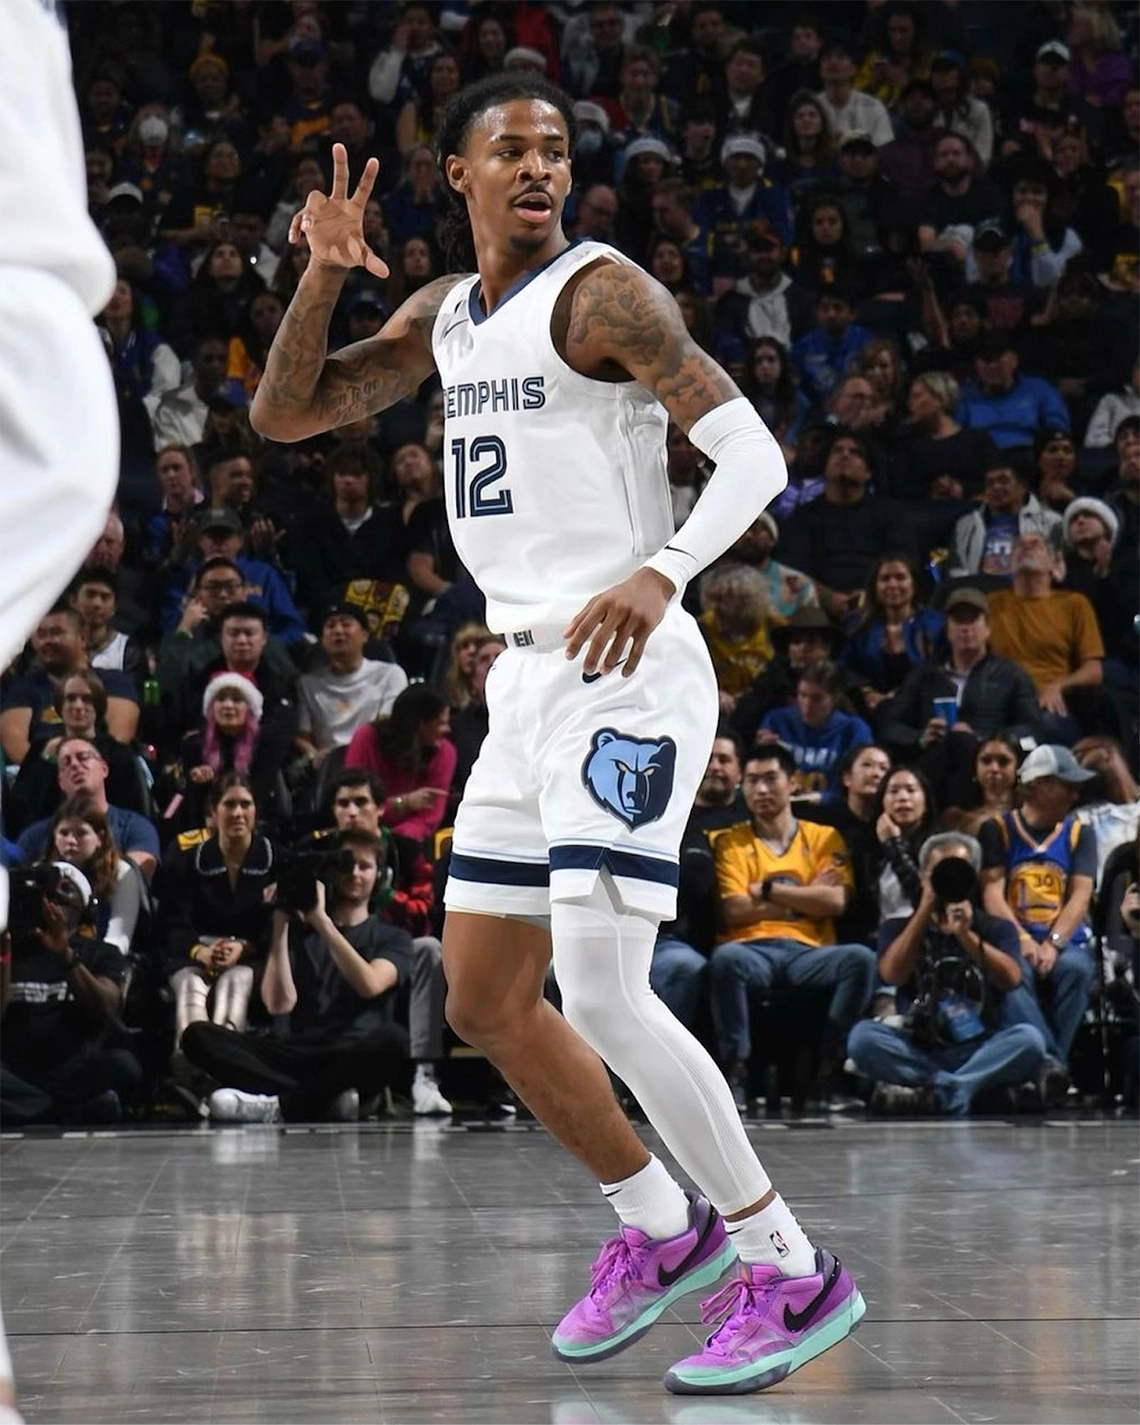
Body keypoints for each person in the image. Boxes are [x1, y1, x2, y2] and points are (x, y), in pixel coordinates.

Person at [249, 76, 864, 1395]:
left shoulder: (603, 295)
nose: (538, 168)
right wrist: (321, 275)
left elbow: (755, 456)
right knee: (482, 998)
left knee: (601, 988)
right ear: (456, 176)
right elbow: (285, 415)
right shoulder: (444, 316)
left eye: (556, 151)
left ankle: (791, 1266)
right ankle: (661, 1227)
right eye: (510, 151)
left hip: (626, 667)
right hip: (524, 681)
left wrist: (666, 569)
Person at [185, 828, 412, 1124]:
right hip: (296, 1051)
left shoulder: (393, 938)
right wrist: (281, 921)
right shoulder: (300, 934)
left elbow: (369, 984)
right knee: (197, 1036)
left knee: (394, 1039)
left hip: (350, 1053)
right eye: (347, 865)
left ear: (380, 875)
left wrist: (322, 921)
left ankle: (282, 1105)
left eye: (364, 866)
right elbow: (277, 1004)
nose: (354, 874)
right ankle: (324, 1101)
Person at [709, 743, 877, 1109]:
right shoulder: (730, 841)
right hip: (750, 950)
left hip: (808, 952)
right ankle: (735, 1071)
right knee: (726, 960)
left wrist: (768, 891)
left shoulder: (824, 837)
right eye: (752, 781)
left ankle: (829, 1069)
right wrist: (806, 897)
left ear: (793, 783)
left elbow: (835, 902)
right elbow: (733, 911)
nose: (761, 789)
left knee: (860, 959)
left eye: (771, 779)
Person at [847, 832, 1046, 1115]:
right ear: (923, 876)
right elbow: (892, 975)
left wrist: (966, 934)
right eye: (939, 871)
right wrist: (924, 908)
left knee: (1029, 1040)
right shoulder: (897, 928)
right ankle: (967, 1088)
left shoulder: (996, 928)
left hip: (981, 1048)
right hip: (919, 1048)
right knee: (862, 1038)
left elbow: (1011, 979)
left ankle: (936, 1093)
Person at [979, 745, 1097, 1075]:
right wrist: (1023, 940)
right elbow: (992, 894)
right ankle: (1051, 1066)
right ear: (1040, 785)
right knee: (1014, 973)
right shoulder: (997, 830)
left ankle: (1046, 1067)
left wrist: (1054, 944)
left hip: (1065, 941)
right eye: (1067, 785)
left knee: (1077, 970)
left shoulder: (1080, 833)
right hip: (1014, 938)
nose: (1075, 795)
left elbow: (1080, 896)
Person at [157, 772, 274, 1067]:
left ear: (255, 810)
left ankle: (228, 1065)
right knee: (189, 984)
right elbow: (173, 921)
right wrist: (200, 952)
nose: (238, 813)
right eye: (229, 804)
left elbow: (276, 927)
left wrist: (244, 949)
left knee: (236, 980)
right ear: (213, 811)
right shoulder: (187, 860)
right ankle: (186, 1064)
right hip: (195, 953)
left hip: (253, 957)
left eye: (245, 804)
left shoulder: (275, 859)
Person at [986, 530, 1103, 735]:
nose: (1026, 547)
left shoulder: (1075, 604)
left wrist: (1058, 686)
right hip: (998, 701)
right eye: (1019, 545)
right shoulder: (990, 603)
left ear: (1053, 562)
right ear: (1009, 563)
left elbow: (1094, 670)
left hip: (1047, 703)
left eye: (1036, 544)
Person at [16, 736, 160, 880]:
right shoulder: (35, 836)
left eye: (83, 757)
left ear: (104, 769)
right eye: (66, 762)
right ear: (60, 781)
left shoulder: (136, 826)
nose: (74, 765)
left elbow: (138, 870)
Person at [295, 606, 408, 766]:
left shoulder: (390, 675)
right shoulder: (307, 683)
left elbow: (388, 727)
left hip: (373, 760)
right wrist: (314, 756)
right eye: (330, 626)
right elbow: (303, 735)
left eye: (346, 624)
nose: (338, 630)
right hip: (327, 764)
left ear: (364, 635)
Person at [344, 685, 455, 847]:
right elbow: (354, 803)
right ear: (419, 724)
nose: (447, 730)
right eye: (441, 723)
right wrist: (406, 803)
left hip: (409, 844)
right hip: (362, 836)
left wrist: (391, 842)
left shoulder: (445, 753)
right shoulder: (366, 738)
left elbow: (429, 818)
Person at [759, 661, 873, 798]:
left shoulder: (854, 730)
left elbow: (859, 784)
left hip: (833, 806)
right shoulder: (776, 721)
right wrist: (763, 752)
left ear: (834, 699)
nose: (807, 705)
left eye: (817, 699)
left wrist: (823, 799)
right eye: (803, 695)